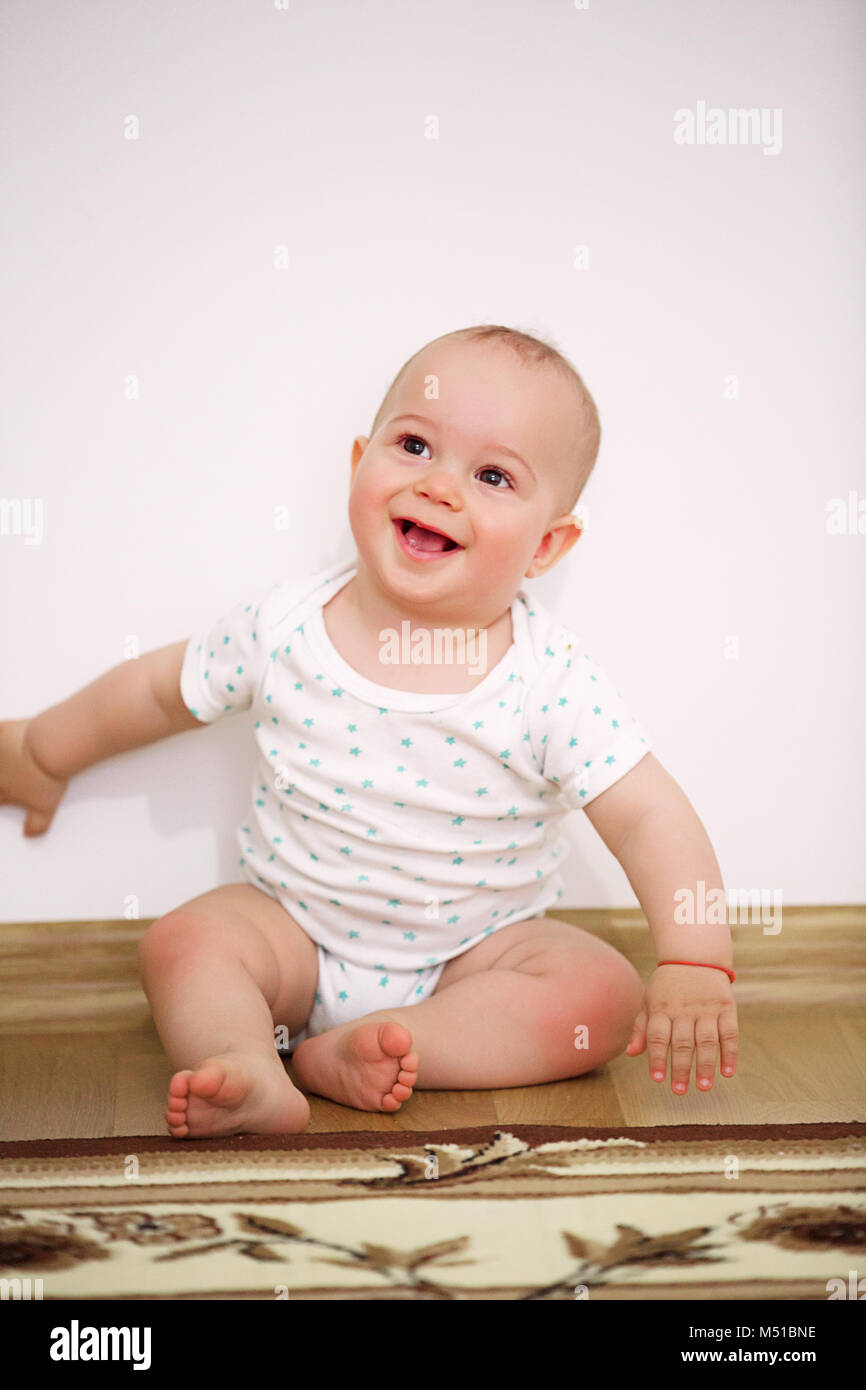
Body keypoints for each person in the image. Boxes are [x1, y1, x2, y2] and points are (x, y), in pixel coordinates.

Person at [0, 324, 737, 1138]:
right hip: (292, 938)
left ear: (548, 545)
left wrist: (694, 956)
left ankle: (385, 1048)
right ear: (360, 465)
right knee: (183, 941)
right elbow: (155, 691)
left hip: (479, 959)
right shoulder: (284, 626)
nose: (441, 487)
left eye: (493, 475)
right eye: (415, 446)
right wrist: (43, 750)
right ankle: (246, 1058)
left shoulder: (549, 680)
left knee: (599, 994)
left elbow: (649, 814)